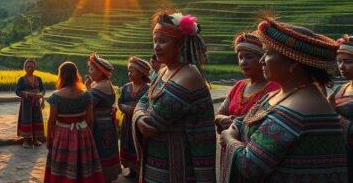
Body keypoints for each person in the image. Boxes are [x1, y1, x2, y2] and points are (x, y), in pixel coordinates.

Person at [219, 17, 348, 182]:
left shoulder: (299, 107)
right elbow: (247, 119)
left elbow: (251, 166)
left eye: (268, 53)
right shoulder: (282, 94)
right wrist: (236, 125)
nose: (261, 60)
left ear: (293, 62)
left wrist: (229, 140)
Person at [134, 11, 215, 183]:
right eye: (155, 40)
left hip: (177, 169)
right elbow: (143, 100)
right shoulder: (165, 70)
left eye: (163, 41)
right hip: (157, 163)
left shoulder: (188, 77)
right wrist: (141, 113)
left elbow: (151, 124)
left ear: (180, 45)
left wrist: (139, 114)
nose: (156, 46)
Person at [44, 61, 105, 183]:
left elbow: (52, 121)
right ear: (76, 75)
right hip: (83, 133)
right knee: (83, 163)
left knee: (62, 163)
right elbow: (90, 118)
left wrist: (49, 138)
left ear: (61, 75)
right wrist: (88, 133)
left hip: (63, 134)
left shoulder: (56, 97)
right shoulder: (86, 95)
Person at [214, 32, 279, 134]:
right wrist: (221, 119)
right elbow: (220, 113)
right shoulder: (239, 85)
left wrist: (239, 125)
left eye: (248, 57)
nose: (243, 62)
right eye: (240, 57)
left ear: (262, 59)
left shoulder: (275, 89)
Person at [85, 54, 121, 182]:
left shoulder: (101, 86)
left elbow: (88, 104)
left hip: (100, 127)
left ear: (101, 72)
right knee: (105, 151)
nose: (89, 72)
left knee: (101, 152)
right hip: (105, 124)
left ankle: (102, 177)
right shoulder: (103, 83)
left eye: (92, 69)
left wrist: (87, 88)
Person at [118, 56, 151, 180]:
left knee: (139, 145)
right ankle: (131, 170)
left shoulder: (148, 89)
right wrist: (123, 108)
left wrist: (135, 110)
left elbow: (149, 106)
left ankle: (139, 171)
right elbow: (120, 102)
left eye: (132, 71)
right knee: (127, 145)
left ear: (141, 72)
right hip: (127, 123)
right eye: (128, 70)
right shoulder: (126, 87)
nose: (129, 73)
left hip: (139, 125)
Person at [330, 36, 353, 177]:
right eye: (339, 61)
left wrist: (333, 115)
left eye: (348, 62)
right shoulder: (339, 90)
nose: (341, 67)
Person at [15, 59, 45, 148]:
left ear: (35, 67)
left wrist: (40, 94)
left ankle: (35, 139)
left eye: (32, 66)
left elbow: (43, 90)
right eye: (28, 67)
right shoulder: (21, 79)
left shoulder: (38, 79)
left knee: (36, 119)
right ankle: (26, 140)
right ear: (25, 68)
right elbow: (17, 91)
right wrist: (26, 94)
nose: (30, 68)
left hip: (36, 103)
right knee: (26, 120)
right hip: (26, 104)